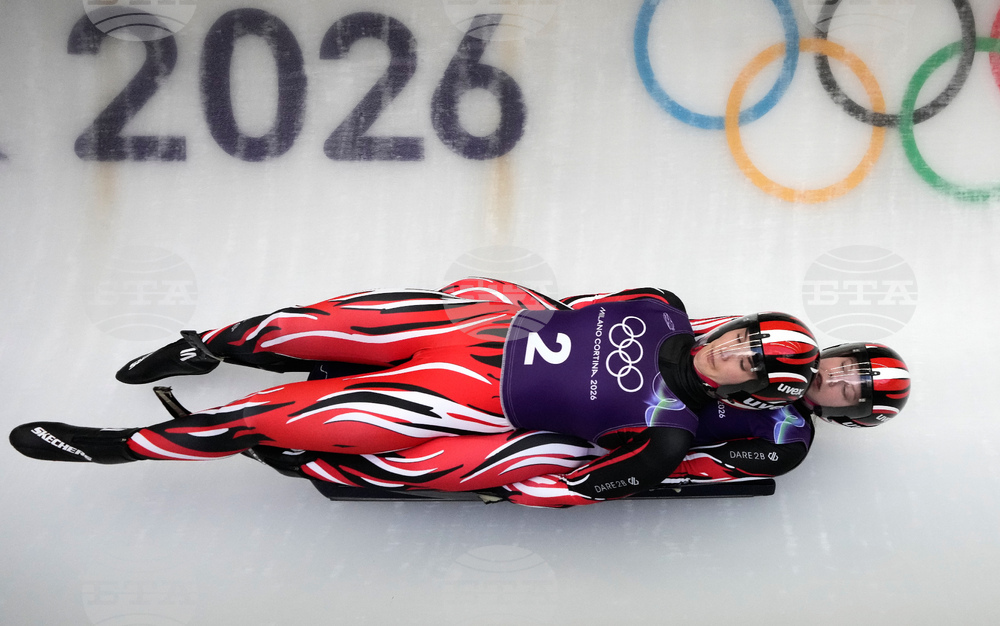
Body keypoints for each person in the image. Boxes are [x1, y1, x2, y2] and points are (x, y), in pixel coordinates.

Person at [9, 279, 819, 506]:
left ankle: (123, 446)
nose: (728, 351)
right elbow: (570, 306)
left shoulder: (668, 430)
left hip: (466, 404)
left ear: (751, 390)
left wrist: (526, 473)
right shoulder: (662, 306)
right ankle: (208, 346)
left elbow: (587, 480)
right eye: (741, 335)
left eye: (747, 361)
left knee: (283, 419)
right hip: (465, 333)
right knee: (309, 325)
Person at [246, 341, 910, 507]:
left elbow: (692, 468)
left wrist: (622, 466)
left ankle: (344, 457)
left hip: (619, 436)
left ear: (848, 414)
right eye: (845, 366)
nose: (836, 379)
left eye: (848, 390)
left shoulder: (786, 443)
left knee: (515, 456)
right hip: (597, 381)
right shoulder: (774, 341)